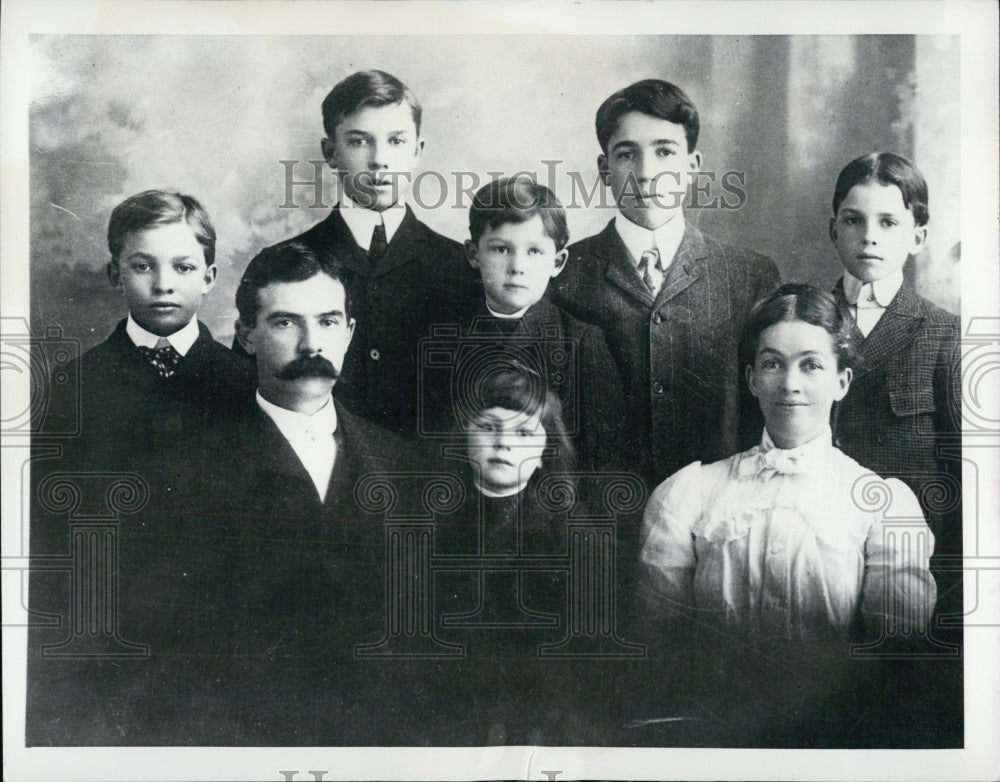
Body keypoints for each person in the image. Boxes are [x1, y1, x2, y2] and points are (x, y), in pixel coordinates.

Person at [634, 284, 938, 745]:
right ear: (752, 378)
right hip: (710, 738)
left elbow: (895, 661)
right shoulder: (690, 493)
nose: (790, 383)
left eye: (811, 365)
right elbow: (660, 643)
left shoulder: (882, 504)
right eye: (773, 363)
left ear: (842, 382)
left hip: (840, 743)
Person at [549, 79, 781, 490]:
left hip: (718, 515)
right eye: (627, 154)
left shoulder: (750, 276)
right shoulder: (564, 274)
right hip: (601, 522)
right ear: (605, 170)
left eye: (664, 152)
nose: (646, 173)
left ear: (692, 166)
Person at [246, 69, 477, 437]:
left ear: (418, 151)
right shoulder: (279, 265)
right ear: (330, 152)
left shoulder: (462, 268)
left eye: (396, 141)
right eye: (359, 141)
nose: (379, 160)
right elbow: (248, 399)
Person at [827, 153, 962, 599]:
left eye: (888, 223)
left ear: (918, 237)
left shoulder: (943, 333)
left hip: (912, 558)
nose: (868, 237)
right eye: (853, 221)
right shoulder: (805, 324)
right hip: (822, 545)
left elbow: (962, 474)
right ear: (834, 231)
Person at [426, 175, 625, 473]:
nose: (517, 267)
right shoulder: (444, 336)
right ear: (473, 254)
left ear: (557, 263)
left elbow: (602, 458)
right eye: (501, 249)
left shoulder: (581, 341)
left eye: (534, 251)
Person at [46, 189, 254, 469]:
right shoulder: (74, 382)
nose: (163, 284)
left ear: (208, 278)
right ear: (116, 276)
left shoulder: (246, 381)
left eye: (183, 267)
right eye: (143, 267)